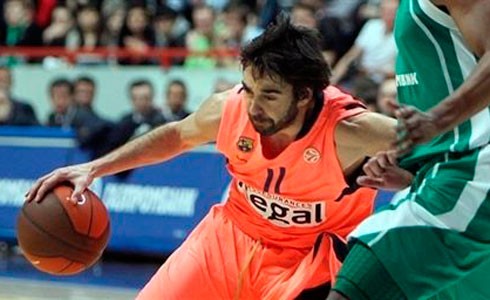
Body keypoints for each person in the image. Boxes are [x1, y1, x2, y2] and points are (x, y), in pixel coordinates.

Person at [25, 14, 396, 299]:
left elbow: (444, 157)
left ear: (304, 95)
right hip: (229, 237)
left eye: (269, 95)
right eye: (249, 90)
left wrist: (405, 174)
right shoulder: (229, 108)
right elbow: (175, 136)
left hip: (309, 257)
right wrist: (95, 168)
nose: (253, 106)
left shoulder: (352, 132)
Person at [328, 1, 490, 299]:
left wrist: (438, 119)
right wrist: (413, 170)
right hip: (449, 175)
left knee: (354, 284)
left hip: (473, 172)